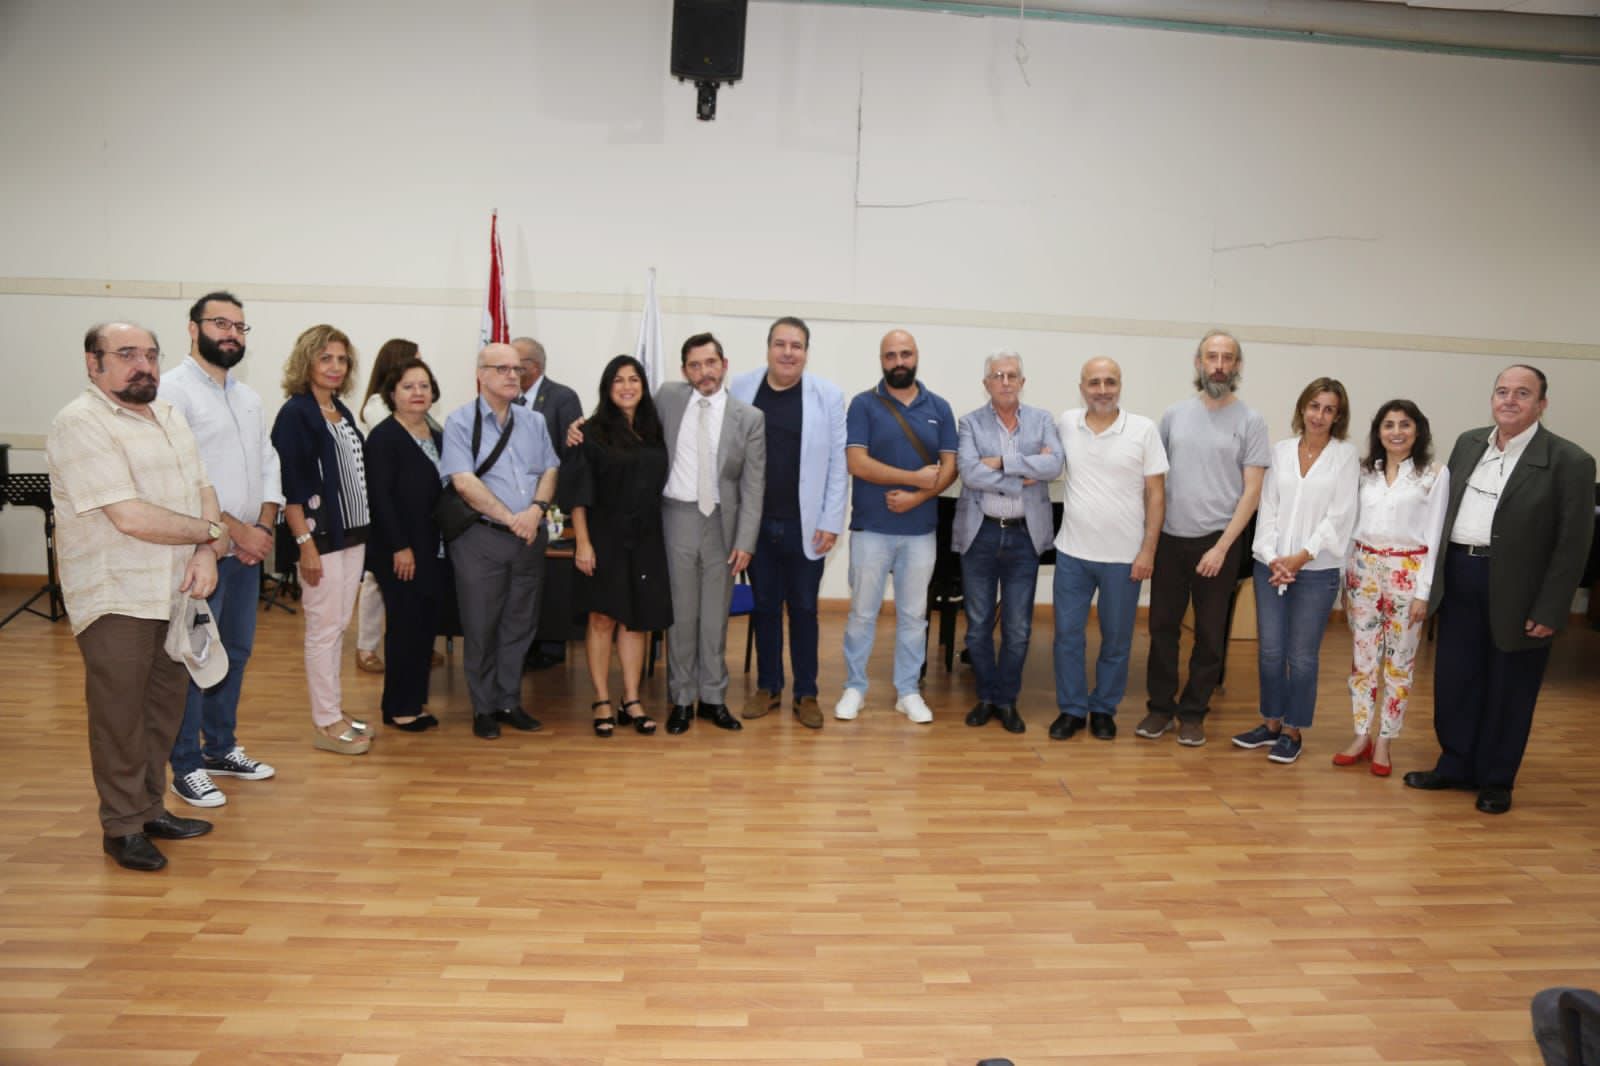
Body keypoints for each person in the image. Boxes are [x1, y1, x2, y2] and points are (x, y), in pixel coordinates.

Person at [48, 321, 223, 870]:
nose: (143, 365)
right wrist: (211, 534)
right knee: (119, 716)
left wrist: (206, 550)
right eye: (126, 354)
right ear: (93, 362)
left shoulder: (168, 415)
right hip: (116, 594)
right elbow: (129, 516)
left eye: (150, 354)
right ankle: (121, 827)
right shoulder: (81, 422)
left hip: (176, 589)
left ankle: (150, 809)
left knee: (162, 710)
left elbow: (204, 490)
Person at [1404, 365, 1595, 815]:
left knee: (1510, 687)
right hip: (1460, 575)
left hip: (1520, 589)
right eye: (1502, 391)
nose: (1510, 400)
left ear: (1542, 405)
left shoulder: (1570, 461)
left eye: (1522, 393)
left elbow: (1573, 545)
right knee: (1456, 679)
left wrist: (1551, 608)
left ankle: (1495, 779)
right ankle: (1455, 765)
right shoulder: (1469, 443)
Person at [157, 291, 281, 808]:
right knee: (196, 657)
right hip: (201, 554)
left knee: (235, 654)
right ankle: (185, 764)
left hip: (246, 552)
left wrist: (263, 528)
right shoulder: (173, 390)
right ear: (193, 328)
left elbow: (268, 463)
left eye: (239, 326)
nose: (231, 334)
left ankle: (220, 748)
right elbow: (182, 476)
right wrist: (234, 531)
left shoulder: (247, 396)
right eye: (220, 323)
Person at [1138, 330, 1270, 747]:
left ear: (1237, 366)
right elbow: (1154, 483)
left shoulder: (1251, 421)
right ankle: (1160, 709)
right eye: (1212, 357)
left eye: (1227, 358)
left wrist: (1222, 547)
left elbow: (1252, 491)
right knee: (1162, 629)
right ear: (1198, 363)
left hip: (1219, 542)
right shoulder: (1173, 416)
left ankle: (1193, 713)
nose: (1219, 365)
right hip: (1171, 540)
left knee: (1211, 636)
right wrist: (1150, 539)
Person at [1231, 378, 1359, 764]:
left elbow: (1340, 516)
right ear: (1302, 408)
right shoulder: (1281, 451)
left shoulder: (1345, 456)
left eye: (1329, 409)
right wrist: (1273, 557)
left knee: (1301, 656)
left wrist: (1301, 557)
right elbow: (1268, 508)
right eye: (1314, 406)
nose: (1319, 415)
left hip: (1317, 571)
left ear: (1338, 416)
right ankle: (1271, 723)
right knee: (1270, 651)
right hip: (1270, 567)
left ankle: (1293, 730)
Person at [728, 317, 848, 729]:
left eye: (796, 345)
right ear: (768, 348)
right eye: (780, 344)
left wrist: (831, 520)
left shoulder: (827, 396)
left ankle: (806, 693)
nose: (787, 352)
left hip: (806, 524)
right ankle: (768, 686)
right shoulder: (743, 388)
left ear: (806, 353)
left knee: (804, 608)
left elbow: (838, 465)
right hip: (756, 522)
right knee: (764, 606)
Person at [834, 329, 957, 725]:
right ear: (881, 360)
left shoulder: (940, 407)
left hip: (921, 531)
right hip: (871, 528)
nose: (899, 361)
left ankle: (908, 691)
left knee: (914, 616)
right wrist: (913, 478)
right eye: (891, 355)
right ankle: (855, 687)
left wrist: (917, 496)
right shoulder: (863, 404)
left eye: (905, 354)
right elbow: (857, 462)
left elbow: (950, 467)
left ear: (916, 357)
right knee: (862, 613)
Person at [439, 342, 560, 740]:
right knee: (481, 626)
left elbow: (550, 469)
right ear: (481, 375)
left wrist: (536, 510)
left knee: (519, 625)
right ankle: (483, 707)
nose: (513, 375)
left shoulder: (534, 422)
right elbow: (463, 481)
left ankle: (509, 701)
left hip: (528, 537)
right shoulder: (460, 422)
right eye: (503, 368)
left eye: (517, 369)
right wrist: (511, 519)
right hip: (481, 540)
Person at [1050, 357, 1167, 741]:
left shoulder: (1143, 430)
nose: (1103, 390)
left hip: (1123, 558)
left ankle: (1103, 708)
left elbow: (1156, 494)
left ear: (1120, 385)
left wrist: (1148, 550)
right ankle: (1071, 709)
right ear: (1082, 388)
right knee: (1067, 637)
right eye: (1095, 382)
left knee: (1116, 642)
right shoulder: (1066, 423)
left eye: (1110, 382)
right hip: (1072, 554)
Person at [271, 325, 373, 756]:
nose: (335, 366)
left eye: (342, 359)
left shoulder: (339, 409)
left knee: (338, 627)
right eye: (325, 358)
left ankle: (334, 710)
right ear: (307, 361)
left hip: (353, 534)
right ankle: (325, 722)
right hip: (320, 538)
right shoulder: (296, 413)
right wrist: (305, 543)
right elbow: (290, 485)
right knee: (323, 630)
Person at [656, 334, 766, 735]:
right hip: (677, 517)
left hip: (723, 525)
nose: (704, 372)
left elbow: (754, 485)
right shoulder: (667, 398)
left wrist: (746, 541)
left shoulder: (749, 417)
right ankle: (682, 698)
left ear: (724, 364)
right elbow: (624, 417)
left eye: (710, 363)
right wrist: (582, 426)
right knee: (682, 616)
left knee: (715, 617)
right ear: (684, 370)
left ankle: (714, 698)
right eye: (695, 365)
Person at [1336, 400, 1449, 776]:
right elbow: (1351, 526)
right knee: (1363, 660)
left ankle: (1385, 740)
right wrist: (1346, 578)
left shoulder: (1433, 474)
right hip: (1363, 569)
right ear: (1378, 431)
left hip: (1408, 572)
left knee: (1399, 664)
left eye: (1404, 424)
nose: (1396, 432)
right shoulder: (1364, 472)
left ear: (1418, 430)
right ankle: (1361, 735)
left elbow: (1435, 536)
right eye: (1388, 425)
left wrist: (1423, 592)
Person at [563, 354, 673, 737]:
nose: (627, 387)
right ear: (607, 388)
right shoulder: (589, 432)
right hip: (603, 537)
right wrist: (583, 543)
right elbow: (578, 494)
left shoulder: (654, 430)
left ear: (643, 386)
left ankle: (631, 698)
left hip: (646, 539)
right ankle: (601, 699)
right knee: (602, 618)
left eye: (634, 379)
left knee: (635, 620)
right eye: (618, 381)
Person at [954, 352, 1063, 735]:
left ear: (1022, 382)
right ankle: (987, 696)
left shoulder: (1042, 420)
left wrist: (999, 462)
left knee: (1018, 630)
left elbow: (1054, 465)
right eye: (997, 375)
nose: (1005, 381)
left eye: (1011, 375)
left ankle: (1006, 700)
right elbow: (969, 472)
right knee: (978, 626)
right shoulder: (970, 422)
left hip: (1023, 535)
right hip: (981, 533)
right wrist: (1024, 472)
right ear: (986, 383)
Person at [364, 357, 449, 731]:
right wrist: (400, 546)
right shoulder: (384, 437)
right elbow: (380, 498)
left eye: (424, 386)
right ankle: (399, 707)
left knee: (424, 627)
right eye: (408, 386)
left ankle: (415, 702)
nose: (418, 392)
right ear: (392, 394)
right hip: (400, 550)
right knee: (404, 627)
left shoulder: (437, 433)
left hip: (433, 548)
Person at [512, 336, 584, 670]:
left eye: (516, 364)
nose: (510, 371)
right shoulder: (507, 397)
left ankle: (551, 644)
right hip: (514, 503)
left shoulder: (562, 397)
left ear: (534, 367)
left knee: (551, 575)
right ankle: (522, 642)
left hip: (552, 504)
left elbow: (572, 453)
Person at [352, 338, 422, 676]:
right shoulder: (378, 406)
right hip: (386, 502)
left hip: (410, 505)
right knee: (376, 578)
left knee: (405, 579)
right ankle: (366, 646)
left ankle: (414, 641)